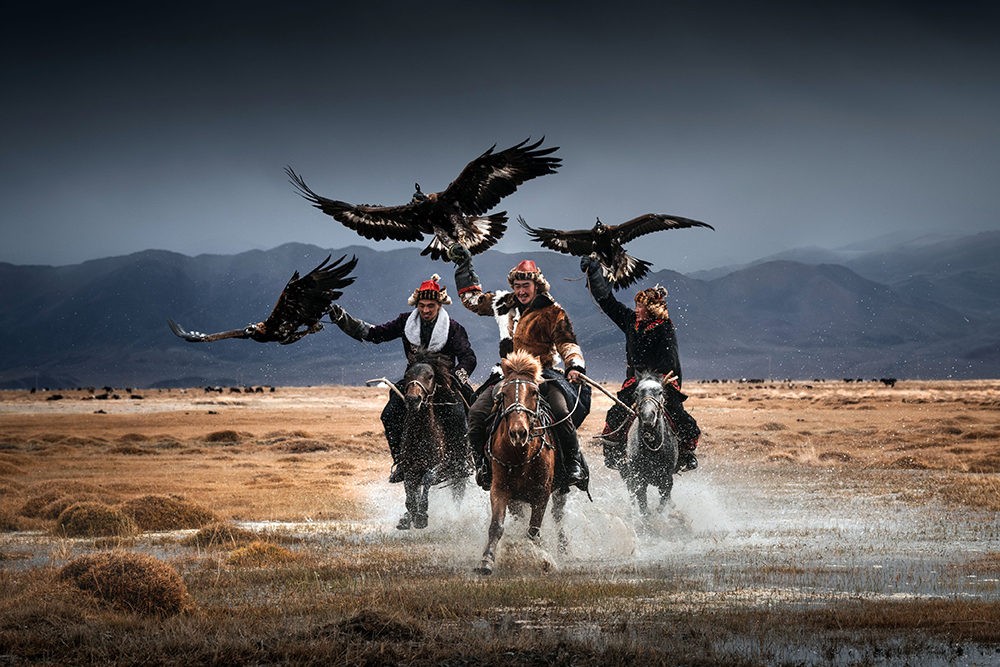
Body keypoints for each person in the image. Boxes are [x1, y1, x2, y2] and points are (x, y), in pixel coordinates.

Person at [449, 243, 590, 491]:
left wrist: (573, 366)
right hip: (508, 374)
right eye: (518, 286)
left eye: (526, 286)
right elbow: (471, 300)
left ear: (536, 286)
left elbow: (567, 342)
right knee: (476, 413)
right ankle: (483, 466)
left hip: (541, 374)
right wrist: (464, 265)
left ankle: (574, 463)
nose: (522, 291)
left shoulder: (552, 312)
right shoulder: (503, 302)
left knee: (560, 410)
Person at [329, 274, 477, 483]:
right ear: (416, 304)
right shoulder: (404, 322)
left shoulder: (453, 328)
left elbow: (468, 358)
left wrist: (455, 377)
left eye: (431, 306)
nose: (425, 310)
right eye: (422, 305)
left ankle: (459, 462)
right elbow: (375, 334)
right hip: (414, 381)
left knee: (458, 415)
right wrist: (343, 320)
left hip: (444, 381)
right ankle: (401, 462)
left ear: (439, 305)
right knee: (389, 414)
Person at [579, 256, 700, 472]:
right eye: (635, 305)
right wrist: (594, 273)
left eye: (640, 306)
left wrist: (657, 380)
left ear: (651, 309)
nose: (636, 309)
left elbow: (669, 361)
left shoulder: (665, 327)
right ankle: (614, 453)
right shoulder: (630, 322)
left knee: (678, 415)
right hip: (635, 381)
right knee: (616, 414)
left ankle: (685, 453)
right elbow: (608, 302)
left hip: (661, 381)